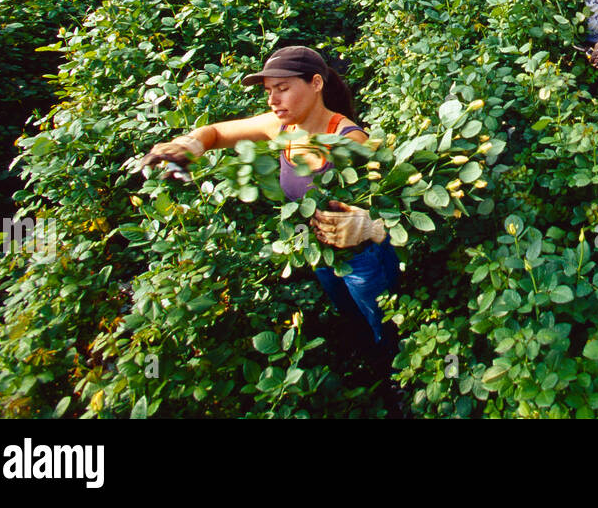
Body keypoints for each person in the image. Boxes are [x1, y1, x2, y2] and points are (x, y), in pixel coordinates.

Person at [137, 45, 400, 354]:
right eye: (268, 90)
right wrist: (190, 144)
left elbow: (392, 206)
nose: (272, 100)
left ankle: (394, 371)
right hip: (319, 249)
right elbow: (216, 133)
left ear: (316, 84)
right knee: (350, 313)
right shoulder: (281, 126)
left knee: (381, 319)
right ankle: (365, 356)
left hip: (363, 257)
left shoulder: (350, 141)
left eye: (283, 89)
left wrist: (371, 227)